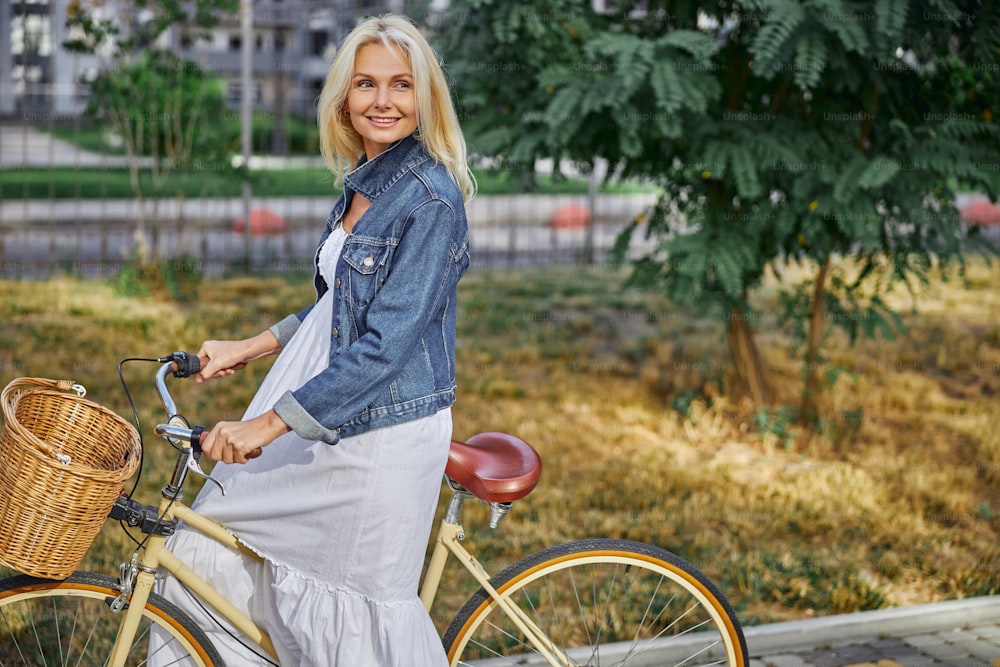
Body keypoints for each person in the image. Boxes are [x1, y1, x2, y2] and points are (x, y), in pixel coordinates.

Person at [151, 14, 473, 666]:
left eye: (401, 85)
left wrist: (265, 426)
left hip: (374, 432)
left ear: (425, 98)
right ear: (345, 99)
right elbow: (338, 309)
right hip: (318, 407)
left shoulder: (430, 200)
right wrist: (247, 346)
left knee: (352, 612)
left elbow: (383, 347)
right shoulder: (365, 180)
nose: (382, 101)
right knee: (207, 542)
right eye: (366, 84)